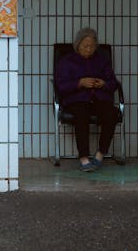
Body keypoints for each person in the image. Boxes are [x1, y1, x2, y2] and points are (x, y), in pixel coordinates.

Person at [55, 27, 119, 172]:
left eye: (92, 46)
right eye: (85, 46)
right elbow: (61, 85)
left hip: (99, 98)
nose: (89, 49)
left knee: (112, 113)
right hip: (76, 99)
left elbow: (113, 83)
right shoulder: (67, 61)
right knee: (81, 115)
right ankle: (83, 158)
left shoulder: (101, 61)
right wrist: (79, 83)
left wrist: (103, 84)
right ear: (78, 45)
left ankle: (100, 154)